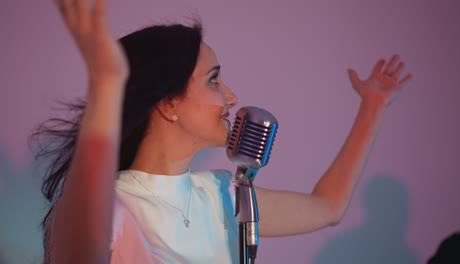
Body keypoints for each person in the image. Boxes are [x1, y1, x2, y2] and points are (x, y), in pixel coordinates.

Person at [32, 0, 412, 263]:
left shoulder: (223, 196)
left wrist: (372, 107)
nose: (231, 97)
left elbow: (327, 208)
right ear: (168, 104)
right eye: (214, 80)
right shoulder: (108, 207)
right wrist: (107, 83)